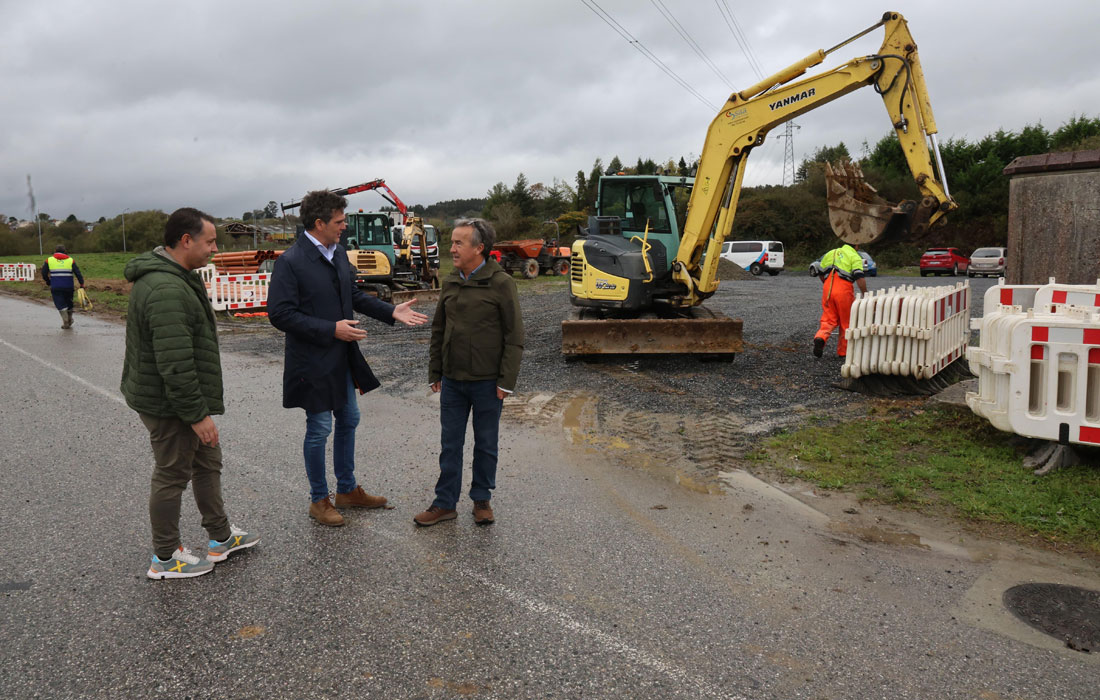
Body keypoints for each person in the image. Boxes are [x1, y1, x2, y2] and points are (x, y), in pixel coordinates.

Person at [267, 189, 428, 527]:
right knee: (320, 427)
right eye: (339, 222)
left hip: (341, 357)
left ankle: (347, 490)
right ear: (319, 222)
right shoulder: (291, 262)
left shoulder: (339, 253)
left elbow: (352, 294)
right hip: (311, 360)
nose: (344, 227)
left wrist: (390, 310)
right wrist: (330, 329)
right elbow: (280, 314)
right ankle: (318, 499)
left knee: (350, 419)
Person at [121, 207, 259, 580]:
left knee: (208, 460)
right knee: (172, 474)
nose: (215, 249)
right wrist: (197, 415)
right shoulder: (166, 289)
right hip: (170, 403)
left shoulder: (178, 275)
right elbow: (175, 363)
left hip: (181, 398)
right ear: (186, 241)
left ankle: (220, 537)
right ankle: (165, 558)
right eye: (210, 241)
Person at [415, 218, 524, 527]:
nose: (452, 248)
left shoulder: (501, 283)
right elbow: (439, 329)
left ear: (480, 248)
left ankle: (481, 500)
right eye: (452, 242)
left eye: (459, 243)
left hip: (488, 383)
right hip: (452, 381)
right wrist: (435, 371)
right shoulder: (451, 281)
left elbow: (514, 336)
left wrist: (506, 381)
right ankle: (444, 503)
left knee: (486, 443)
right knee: (450, 444)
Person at [813, 242, 868, 358]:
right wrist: (865, 294)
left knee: (828, 319)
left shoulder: (831, 253)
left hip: (828, 288)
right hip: (843, 289)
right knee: (846, 322)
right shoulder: (854, 256)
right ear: (856, 246)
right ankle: (843, 352)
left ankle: (820, 337)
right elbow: (859, 277)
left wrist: (827, 284)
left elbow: (820, 271)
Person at [41, 244, 85, 329]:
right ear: (65, 251)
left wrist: (48, 281)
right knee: (69, 303)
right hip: (69, 286)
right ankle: (70, 319)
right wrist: (81, 283)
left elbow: (43, 273)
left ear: (55, 251)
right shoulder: (70, 260)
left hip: (56, 287)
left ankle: (66, 321)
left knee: (60, 303)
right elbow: (78, 273)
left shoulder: (49, 260)